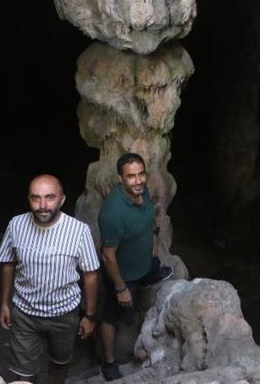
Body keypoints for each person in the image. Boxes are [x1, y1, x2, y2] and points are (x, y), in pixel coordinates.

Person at [0, 174, 100, 384]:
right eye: (36, 198)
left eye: (50, 197)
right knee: (23, 373)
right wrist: (5, 304)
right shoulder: (16, 225)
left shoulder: (79, 231)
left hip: (64, 314)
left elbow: (90, 275)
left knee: (59, 363)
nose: (43, 205)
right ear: (29, 199)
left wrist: (89, 315)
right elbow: (7, 263)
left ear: (61, 199)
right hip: (25, 313)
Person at [97, 153, 173, 381]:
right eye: (131, 176)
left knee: (154, 266)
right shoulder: (113, 213)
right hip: (123, 274)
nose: (138, 180)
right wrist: (120, 287)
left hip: (141, 261)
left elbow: (148, 218)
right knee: (113, 317)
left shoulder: (142, 190)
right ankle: (108, 362)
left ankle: (150, 274)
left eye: (141, 174)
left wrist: (154, 242)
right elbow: (108, 256)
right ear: (121, 178)